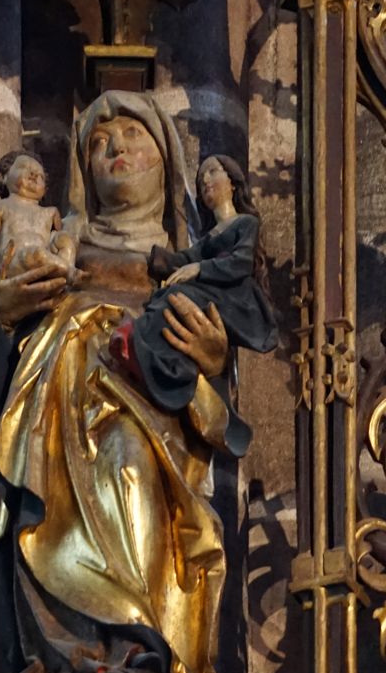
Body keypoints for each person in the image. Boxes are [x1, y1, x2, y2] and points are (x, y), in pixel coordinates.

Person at [0, 91, 236, 673]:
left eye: (133, 136)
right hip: (55, 410)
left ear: (166, 160)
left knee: (129, 466)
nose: (116, 148)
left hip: (146, 411)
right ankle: (70, 650)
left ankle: (140, 642)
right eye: (99, 142)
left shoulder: (193, 262)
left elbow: (220, 412)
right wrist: (3, 311)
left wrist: (212, 361)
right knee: (44, 511)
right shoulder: (60, 237)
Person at [110, 155, 277, 457]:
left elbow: (239, 263)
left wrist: (199, 270)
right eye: (201, 180)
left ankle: (165, 367)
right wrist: (149, 259)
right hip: (214, 293)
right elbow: (185, 260)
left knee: (176, 302)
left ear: (233, 182)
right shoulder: (210, 235)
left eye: (213, 172)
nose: (206, 181)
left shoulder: (245, 223)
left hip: (236, 300)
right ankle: (148, 354)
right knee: (163, 300)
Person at [0, 151, 76, 284]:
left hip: (45, 259)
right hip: (15, 262)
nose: (34, 174)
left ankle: (66, 272)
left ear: (45, 189)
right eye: (24, 168)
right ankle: (69, 273)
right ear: (3, 177)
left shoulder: (50, 212)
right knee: (37, 254)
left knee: (65, 239)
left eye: (40, 176)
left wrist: (61, 239)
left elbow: (56, 239)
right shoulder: (2, 207)